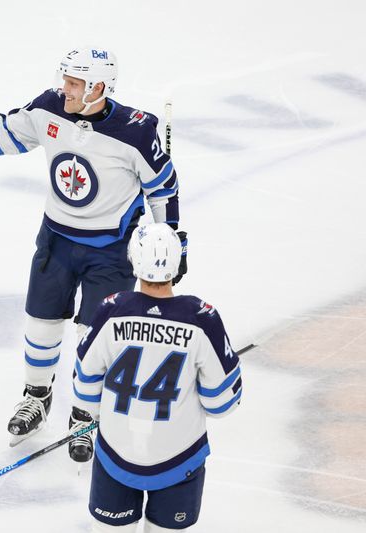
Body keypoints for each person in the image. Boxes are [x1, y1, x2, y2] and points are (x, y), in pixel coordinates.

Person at [0, 47, 187, 446]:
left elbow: (163, 189)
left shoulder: (136, 131)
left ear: (99, 87)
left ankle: (85, 414)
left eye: (74, 84)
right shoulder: (48, 108)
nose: (65, 90)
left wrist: (173, 240)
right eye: (66, 81)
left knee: (95, 335)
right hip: (56, 239)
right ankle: (37, 397)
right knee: (41, 323)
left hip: (110, 250)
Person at [72, 223, 242, 532]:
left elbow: (83, 387)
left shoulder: (112, 311)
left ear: (134, 260)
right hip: (180, 460)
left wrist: (102, 414)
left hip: (115, 455)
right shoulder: (203, 320)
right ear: (179, 261)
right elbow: (222, 404)